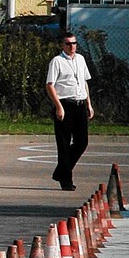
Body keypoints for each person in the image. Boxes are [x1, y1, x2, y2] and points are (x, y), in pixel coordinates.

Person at [45, 32, 93, 191]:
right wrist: (59, 106)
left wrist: (89, 104)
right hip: (65, 104)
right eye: (68, 44)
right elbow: (50, 85)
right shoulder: (57, 61)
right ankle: (66, 180)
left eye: (74, 43)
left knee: (82, 142)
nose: (72, 46)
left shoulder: (80, 59)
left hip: (80, 104)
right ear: (62, 45)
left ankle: (61, 170)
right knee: (64, 143)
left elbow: (84, 82)